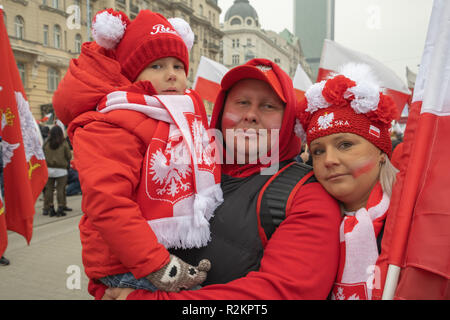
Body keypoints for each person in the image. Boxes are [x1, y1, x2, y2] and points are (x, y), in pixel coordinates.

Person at [102, 58, 342, 300]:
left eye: (268, 106)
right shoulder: (178, 168)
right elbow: (112, 236)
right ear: (220, 112)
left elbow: (282, 293)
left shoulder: (306, 195)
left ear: (287, 119)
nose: (250, 115)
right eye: (241, 102)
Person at [52, 9, 222, 293]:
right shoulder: (110, 121)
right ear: (132, 74)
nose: (171, 75)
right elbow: (108, 202)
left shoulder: (178, 117)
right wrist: (158, 265)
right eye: (157, 66)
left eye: (177, 66)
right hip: (128, 267)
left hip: (151, 255)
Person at [296, 63, 399, 300]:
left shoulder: (411, 222)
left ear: (381, 153)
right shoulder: (300, 219)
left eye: (345, 145)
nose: (329, 160)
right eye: (318, 151)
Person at [42, 125, 72, 217]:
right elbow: (69, 156)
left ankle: (48, 207)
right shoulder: (63, 143)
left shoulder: (46, 143)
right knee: (60, 189)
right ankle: (61, 206)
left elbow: (42, 154)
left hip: (49, 169)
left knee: (49, 190)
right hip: (61, 169)